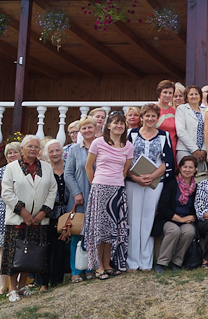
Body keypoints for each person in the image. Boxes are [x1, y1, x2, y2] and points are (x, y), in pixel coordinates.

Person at [0, 136, 58, 302]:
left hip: (39, 221)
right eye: (29, 146)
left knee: (31, 254)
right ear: (22, 149)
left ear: (40, 150)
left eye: (36, 147)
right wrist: (23, 212)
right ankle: (12, 289)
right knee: (14, 254)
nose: (33, 149)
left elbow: (52, 191)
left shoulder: (46, 168)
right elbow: (7, 192)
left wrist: (42, 213)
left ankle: (22, 286)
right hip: (17, 220)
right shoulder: (11, 168)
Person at [84, 117, 135, 279]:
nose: (119, 126)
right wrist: (96, 184)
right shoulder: (98, 143)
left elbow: (125, 171)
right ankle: (98, 266)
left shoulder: (128, 146)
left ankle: (107, 263)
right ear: (108, 126)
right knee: (99, 228)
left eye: (121, 123)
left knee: (112, 229)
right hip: (100, 188)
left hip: (118, 190)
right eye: (115, 123)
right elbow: (88, 166)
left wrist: (114, 183)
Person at [126, 106, 174, 271]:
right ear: (142, 117)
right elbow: (126, 159)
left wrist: (152, 176)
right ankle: (132, 262)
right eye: (147, 116)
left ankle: (146, 262)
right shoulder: (131, 134)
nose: (150, 119)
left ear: (157, 118)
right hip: (133, 182)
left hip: (155, 183)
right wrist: (134, 177)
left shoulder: (163, 136)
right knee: (133, 220)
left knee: (148, 220)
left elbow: (168, 162)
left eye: (154, 116)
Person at [63, 117, 97, 283]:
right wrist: (76, 193)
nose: (87, 131)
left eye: (90, 127)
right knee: (77, 234)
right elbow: (68, 174)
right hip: (79, 199)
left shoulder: (102, 147)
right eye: (83, 129)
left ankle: (90, 268)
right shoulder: (74, 150)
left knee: (93, 235)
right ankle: (76, 270)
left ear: (95, 128)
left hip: (97, 197)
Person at [152, 155, 198, 272]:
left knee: (189, 231)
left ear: (195, 170)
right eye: (185, 167)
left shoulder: (196, 187)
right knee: (174, 230)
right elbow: (163, 208)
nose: (187, 170)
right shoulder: (172, 184)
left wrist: (191, 217)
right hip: (168, 219)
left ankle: (177, 262)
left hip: (186, 219)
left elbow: (197, 208)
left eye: (190, 167)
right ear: (180, 168)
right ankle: (161, 262)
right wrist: (180, 219)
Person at [35, 139, 70, 290]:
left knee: (60, 247)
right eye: (51, 151)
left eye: (58, 150)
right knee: (46, 247)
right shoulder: (44, 169)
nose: (55, 154)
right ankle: (43, 282)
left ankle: (57, 280)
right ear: (46, 154)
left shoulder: (69, 167)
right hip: (48, 213)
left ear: (62, 152)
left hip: (65, 212)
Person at [0, 141, 20, 295]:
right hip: (4, 212)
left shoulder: (25, 171)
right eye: (9, 153)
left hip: (22, 212)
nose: (12, 155)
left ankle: (15, 285)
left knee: (19, 248)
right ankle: (3, 286)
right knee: (4, 250)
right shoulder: (0, 172)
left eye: (15, 152)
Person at [175, 85, 206, 164]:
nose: (194, 96)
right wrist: (194, 150)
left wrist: (203, 150)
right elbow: (181, 131)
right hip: (185, 150)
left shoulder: (205, 112)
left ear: (200, 96)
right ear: (186, 97)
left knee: (201, 176)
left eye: (196, 94)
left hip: (201, 153)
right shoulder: (181, 109)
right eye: (191, 94)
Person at [154, 80, 179, 161]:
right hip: (156, 147)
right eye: (165, 92)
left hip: (172, 147)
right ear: (159, 93)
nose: (168, 95)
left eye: (170, 93)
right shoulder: (153, 109)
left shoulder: (174, 111)